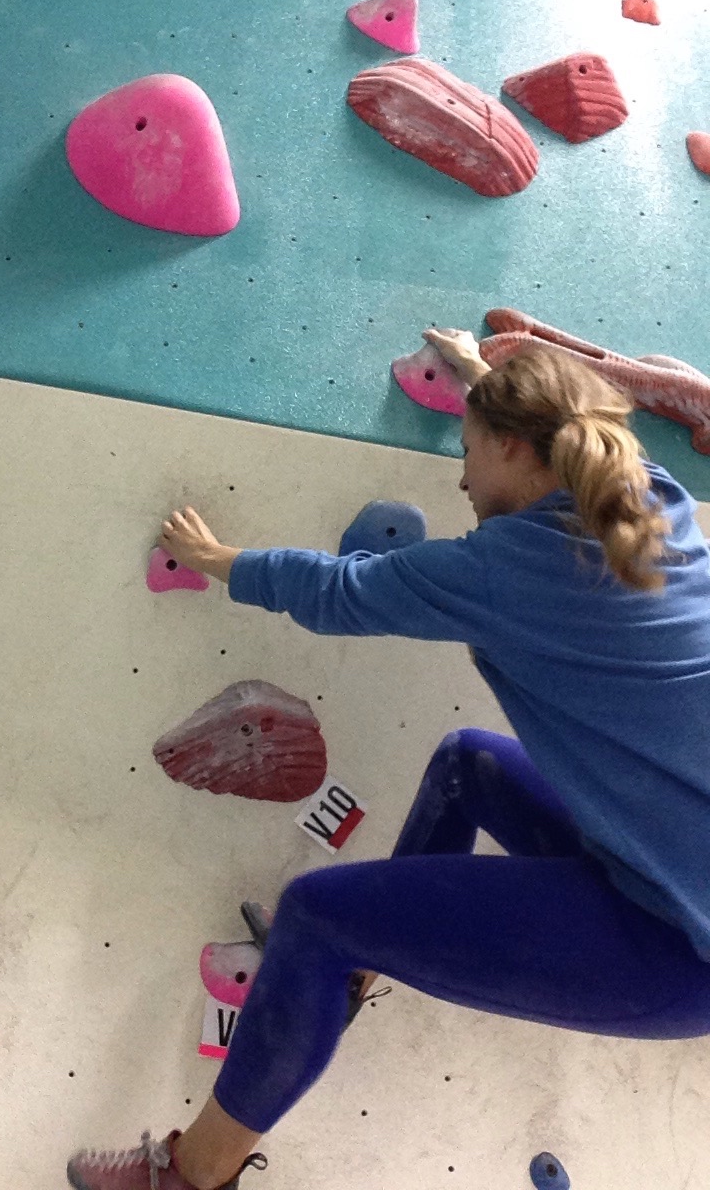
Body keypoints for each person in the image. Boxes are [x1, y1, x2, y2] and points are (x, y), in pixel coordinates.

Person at [67, 330, 710, 1190]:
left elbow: (340, 592)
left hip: (678, 949)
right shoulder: (652, 500)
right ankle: (345, 976)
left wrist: (216, 558)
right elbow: (551, 423)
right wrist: (482, 379)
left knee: (316, 913)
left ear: (514, 448)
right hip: (670, 867)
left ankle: (190, 1173)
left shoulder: (509, 568)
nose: (462, 479)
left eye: (469, 451)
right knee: (467, 763)